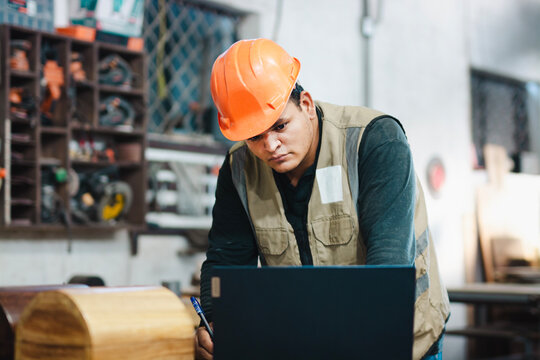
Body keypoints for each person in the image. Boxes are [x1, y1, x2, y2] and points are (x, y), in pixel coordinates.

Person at [195, 38, 450, 360]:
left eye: (279, 126)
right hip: (305, 341)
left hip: (400, 338)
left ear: (305, 104)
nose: (270, 145)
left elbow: (388, 264)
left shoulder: (373, 141)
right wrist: (217, 322)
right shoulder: (239, 168)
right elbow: (226, 259)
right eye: (254, 136)